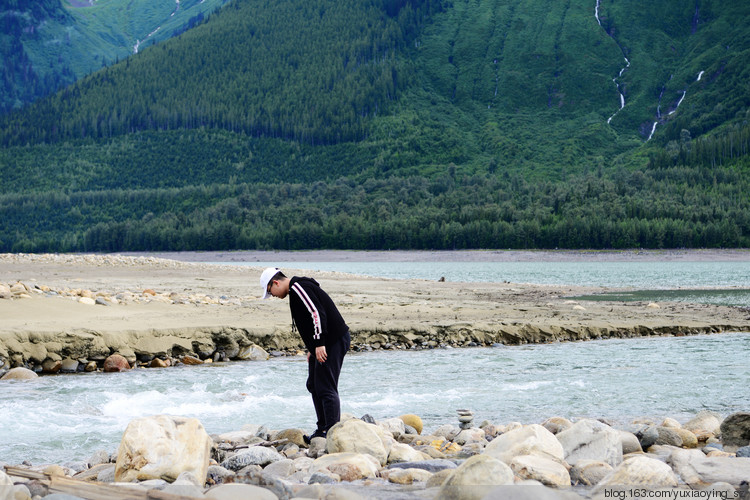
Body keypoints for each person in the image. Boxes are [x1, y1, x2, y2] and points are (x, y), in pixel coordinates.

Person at [260, 267, 350, 441]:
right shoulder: (297, 289)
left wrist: (319, 343)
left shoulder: (298, 288)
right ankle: (322, 429)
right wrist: (312, 347)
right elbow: (311, 318)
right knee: (314, 385)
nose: (274, 296)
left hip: (332, 340)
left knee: (326, 387)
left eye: (271, 292)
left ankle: (332, 435)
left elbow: (316, 313)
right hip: (323, 342)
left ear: (276, 282)